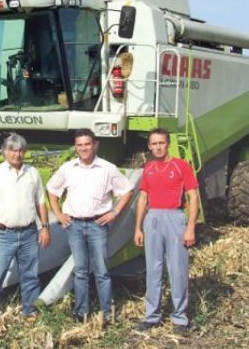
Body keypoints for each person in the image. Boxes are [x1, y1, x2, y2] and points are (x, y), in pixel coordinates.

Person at [47, 128, 133, 324]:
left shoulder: (107, 169)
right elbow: (52, 190)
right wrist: (58, 213)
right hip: (74, 226)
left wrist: (114, 212)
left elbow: (127, 190)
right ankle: (81, 312)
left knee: (102, 271)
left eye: (87, 144)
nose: (84, 148)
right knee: (80, 271)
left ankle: (107, 313)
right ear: (75, 147)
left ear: (95, 145)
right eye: (80, 145)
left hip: (97, 225)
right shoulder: (68, 168)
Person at [0, 133, 51, 322]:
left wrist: (44, 227)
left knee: (30, 275)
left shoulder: (32, 172)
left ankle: (30, 310)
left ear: (24, 152)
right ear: (4, 151)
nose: (17, 154)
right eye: (12, 150)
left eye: (20, 150)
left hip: (29, 233)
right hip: (3, 234)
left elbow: (40, 202)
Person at [133, 128, 199, 335]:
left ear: (168, 144)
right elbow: (143, 198)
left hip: (175, 218)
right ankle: (152, 316)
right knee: (153, 268)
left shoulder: (181, 166)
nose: (158, 147)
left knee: (177, 268)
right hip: (153, 218)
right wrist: (138, 228)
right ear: (149, 146)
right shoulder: (149, 168)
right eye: (154, 144)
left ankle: (180, 318)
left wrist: (190, 228)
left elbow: (193, 197)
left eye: (161, 143)